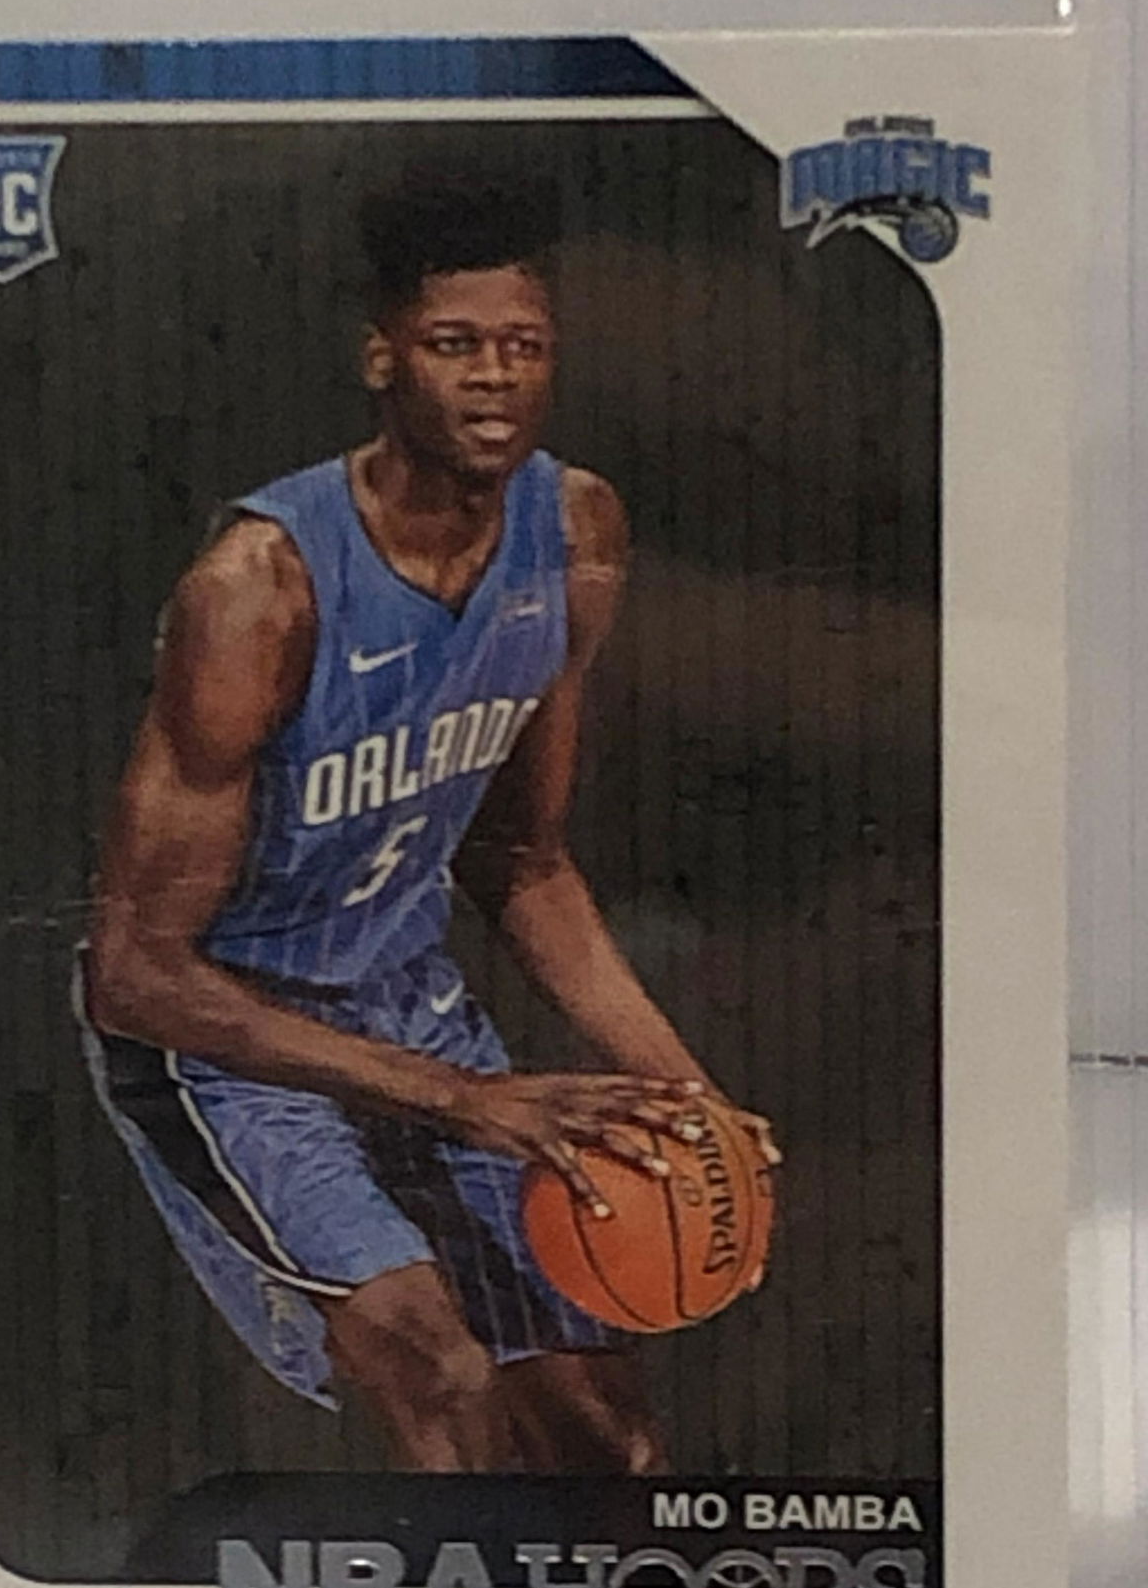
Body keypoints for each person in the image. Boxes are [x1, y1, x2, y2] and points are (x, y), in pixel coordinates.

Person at [77, 173, 773, 1473]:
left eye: (525, 346)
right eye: (456, 344)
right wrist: (463, 1099)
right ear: (383, 358)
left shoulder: (574, 529)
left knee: (608, 1434)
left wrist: (691, 1098)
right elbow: (135, 974)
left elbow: (524, 859)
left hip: (409, 1003)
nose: (495, 377)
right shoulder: (260, 588)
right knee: (443, 1375)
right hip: (229, 1037)